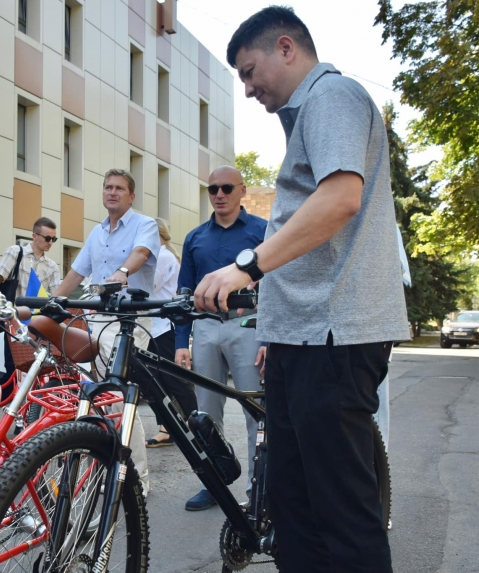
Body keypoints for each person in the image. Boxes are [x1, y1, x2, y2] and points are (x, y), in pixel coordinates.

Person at [196, 7, 410, 571]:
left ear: (285, 48)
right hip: (303, 336)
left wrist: (246, 267)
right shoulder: (307, 117)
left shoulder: (332, 97)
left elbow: (340, 199)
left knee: (339, 510)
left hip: (336, 335)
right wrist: (276, 328)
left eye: (249, 71)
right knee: (294, 505)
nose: (247, 89)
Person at [53, 168, 160, 496]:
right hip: (96, 321)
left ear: (131, 195)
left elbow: (140, 254)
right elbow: (75, 274)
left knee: (115, 396)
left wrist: (122, 272)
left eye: (119, 188)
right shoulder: (96, 233)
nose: (112, 192)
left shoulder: (145, 225)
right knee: (98, 398)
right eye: (107, 187)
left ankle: (135, 479)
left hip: (129, 321)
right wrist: (48, 304)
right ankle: (105, 467)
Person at [175, 166, 268, 511]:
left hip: (250, 326)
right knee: (206, 413)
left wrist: (269, 339)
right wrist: (181, 342)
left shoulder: (263, 231)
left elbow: (277, 285)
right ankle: (214, 486)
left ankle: (259, 492)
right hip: (206, 326)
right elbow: (183, 292)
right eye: (212, 188)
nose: (219, 194)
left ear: (242, 190)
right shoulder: (196, 237)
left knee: (255, 410)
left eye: (227, 187)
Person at [0, 217, 61, 384]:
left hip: (38, 323)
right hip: (14, 320)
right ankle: (8, 404)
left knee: (38, 366)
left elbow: (55, 297)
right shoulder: (16, 252)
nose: (51, 242)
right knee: (13, 367)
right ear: (34, 236)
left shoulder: (52, 266)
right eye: (47, 238)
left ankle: (30, 406)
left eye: (54, 239)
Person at [144, 218, 187, 448]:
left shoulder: (162, 256)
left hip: (162, 328)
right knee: (155, 381)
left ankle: (193, 426)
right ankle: (166, 428)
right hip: (153, 328)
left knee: (173, 381)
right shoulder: (160, 255)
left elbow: (147, 288)